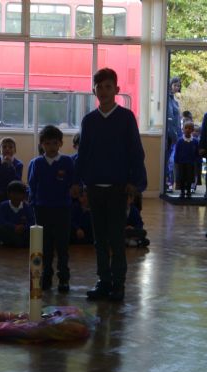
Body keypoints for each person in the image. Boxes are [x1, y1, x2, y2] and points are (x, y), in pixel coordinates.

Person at [75, 67, 147, 302]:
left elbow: (136, 152)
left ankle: (118, 284)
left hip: (118, 189)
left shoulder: (126, 118)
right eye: (100, 87)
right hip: (95, 189)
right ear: (93, 90)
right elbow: (83, 155)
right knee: (99, 240)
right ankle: (103, 281)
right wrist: (80, 184)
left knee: (116, 239)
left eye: (108, 87)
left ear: (117, 89)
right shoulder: (89, 121)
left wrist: (135, 183)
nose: (104, 91)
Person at [28, 125, 74, 293]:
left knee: (62, 246)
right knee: (45, 246)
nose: (51, 147)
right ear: (42, 145)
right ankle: (46, 277)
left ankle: (63, 279)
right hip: (42, 209)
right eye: (47, 143)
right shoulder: (37, 163)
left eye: (55, 143)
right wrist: (33, 203)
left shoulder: (67, 162)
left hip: (62, 209)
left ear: (60, 143)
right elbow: (32, 185)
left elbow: (73, 183)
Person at [0, 180, 35, 248]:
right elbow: (1, 220)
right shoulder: (3, 205)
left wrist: (23, 227)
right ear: (8, 194)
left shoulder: (27, 207)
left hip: (23, 231)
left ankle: (16, 242)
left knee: (32, 231)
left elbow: (32, 222)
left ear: (24, 196)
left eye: (19, 194)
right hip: (10, 230)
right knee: (2, 229)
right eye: (14, 193)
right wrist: (14, 227)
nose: (16, 196)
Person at [0, 137, 23, 204]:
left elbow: (17, 181)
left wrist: (10, 166)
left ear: (15, 150)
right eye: (4, 147)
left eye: (10, 147)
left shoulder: (18, 164)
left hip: (12, 193)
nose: (7, 149)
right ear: (0, 150)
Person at [174, 121, 199, 199]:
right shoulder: (180, 141)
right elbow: (177, 152)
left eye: (190, 128)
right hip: (181, 163)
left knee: (189, 178)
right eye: (186, 128)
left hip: (191, 163)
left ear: (192, 130)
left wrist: (196, 160)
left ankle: (188, 192)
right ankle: (182, 192)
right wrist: (176, 161)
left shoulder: (195, 141)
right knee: (181, 177)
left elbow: (197, 152)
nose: (188, 130)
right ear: (183, 129)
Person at [166, 76, 182, 193]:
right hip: (170, 136)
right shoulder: (168, 99)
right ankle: (167, 183)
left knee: (170, 160)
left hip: (175, 135)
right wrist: (174, 136)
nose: (177, 87)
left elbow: (177, 120)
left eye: (178, 85)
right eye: (175, 85)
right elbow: (170, 119)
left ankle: (169, 183)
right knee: (168, 160)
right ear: (170, 85)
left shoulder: (174, 100)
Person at [191, 124, 202, 193]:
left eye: (197, 131)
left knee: (195, 174)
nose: (195, 132)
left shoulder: (200, 140)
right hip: (190, 161)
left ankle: (193, 186)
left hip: (197, 161)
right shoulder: (189, 140)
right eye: (193, 131)